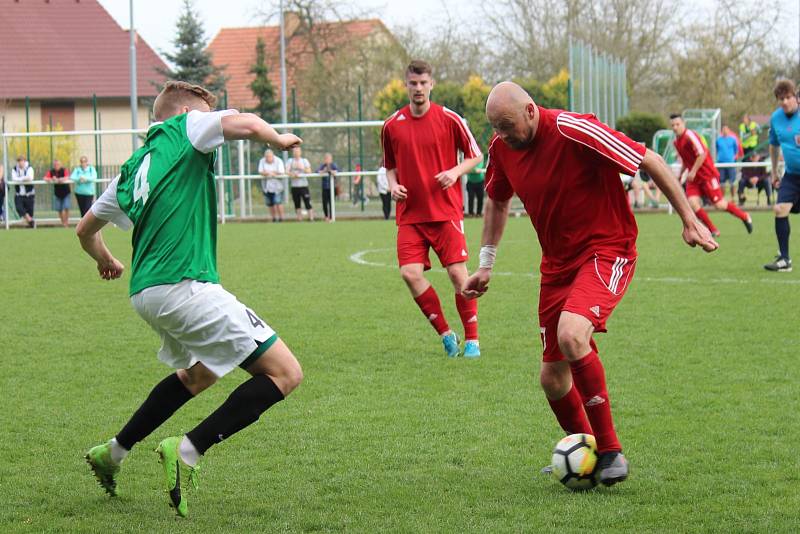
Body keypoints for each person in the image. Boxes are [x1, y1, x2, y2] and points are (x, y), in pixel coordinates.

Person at [462, 81, 718, 486]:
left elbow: (648, 158)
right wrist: (486, 264)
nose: (503, 136)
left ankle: (611, 451)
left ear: (531, 111)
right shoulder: (501, 149)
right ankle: (586, 452)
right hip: (557, 265)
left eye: (508, 125)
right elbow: (495, 199)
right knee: (552, 379)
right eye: (496, 128)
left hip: (607, 249)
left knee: (572, 333)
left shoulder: (573, 129)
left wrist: (688, 219)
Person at [78, 81, 303, 517]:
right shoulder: (188, 126)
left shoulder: (133, 167)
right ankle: (187, 449)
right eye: (205, 113)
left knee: (201, 373)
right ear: (182, 112)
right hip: (186, 285)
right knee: (286, 373)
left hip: (147, 292)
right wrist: (278, 138)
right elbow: (247, 123)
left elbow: (85, 230)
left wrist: (107, 260)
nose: (212, 121)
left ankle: (113, 453)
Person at [381, 59, 483, 358]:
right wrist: (392, 185)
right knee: (410, 274)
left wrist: (454, 172)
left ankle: (473, 340)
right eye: (413, 83)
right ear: (406, 85)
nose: (418, 88)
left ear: (431, 84)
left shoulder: (450, 119)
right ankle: (446, 334)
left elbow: (475, 156)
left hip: (445, 212)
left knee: (457, 275)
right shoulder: (391, 125)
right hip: (411, 216)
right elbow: (390, 166)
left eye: (423, 83)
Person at [670, 114, 752, 237]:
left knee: (719, 204)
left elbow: (702, 154)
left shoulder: (690, 135)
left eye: (677, 124)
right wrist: (681, 175)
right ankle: (713, 229)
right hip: (694, 178)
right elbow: (686, 161)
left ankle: (745, 216)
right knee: (692, 203)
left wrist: (692, 171)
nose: (675, 127)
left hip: (707, 175)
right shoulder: (676, 142)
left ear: (684, 124)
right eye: (673, 125)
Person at [764, 79, 800, 272]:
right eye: (781, 99)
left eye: (788, 97)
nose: (785, 102)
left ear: (796, 97)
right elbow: (774, 145)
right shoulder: (776, 118)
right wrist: (775, 170)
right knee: (780, 209)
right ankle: (784, 260)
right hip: (792, 176)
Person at [287, 146, 314, 221]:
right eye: (295, 152)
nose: (296, 153)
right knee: (297, 203)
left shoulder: (304, 161)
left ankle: (311, 218)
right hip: (294, 186)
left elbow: (309, 171)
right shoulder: (290, 161)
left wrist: (302, 168)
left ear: (300, 152)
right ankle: (299, 219)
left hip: (303, 185)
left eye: (298, 151)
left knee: (307, 202)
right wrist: (292, 174)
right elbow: (286, 171)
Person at [258, 149, 285, 222]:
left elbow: (281, 172)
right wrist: (272, 173)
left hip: (277, 187)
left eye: (269, 157)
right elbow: (261, 171)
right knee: (270, 203)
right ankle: (274, 218)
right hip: (266, 187)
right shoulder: (262, 161)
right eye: (266, 157)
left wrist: (269, 172)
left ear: (273, 156)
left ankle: (281, 218)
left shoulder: (278, 161)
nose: (268, 158)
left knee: (278, 202)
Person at [45, 159, 72, 227]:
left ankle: (66, 223)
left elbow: (67, 177)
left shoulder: (64, 170)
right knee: (59, 209)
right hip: (57, 193)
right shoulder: (51, 171)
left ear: (60, 165)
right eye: (55, 165)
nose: (56, 166)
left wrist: (60, 179)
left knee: (66, 208)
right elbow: (45, 178)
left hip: (66, 192)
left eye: (58, 164)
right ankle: (63, 223)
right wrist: (51, 179)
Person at [716, 125, 739, 202]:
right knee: (721, 182)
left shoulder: (733, 140)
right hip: (721, 163)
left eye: (726, 129)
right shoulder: (718, 140)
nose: (725, 131)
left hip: (731, 163)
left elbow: (736, 150)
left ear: (729, 130)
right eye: (723, 129)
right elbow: (716, 150)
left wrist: (734, 157)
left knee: (732, 181)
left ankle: (733, 198)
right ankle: (722, 199)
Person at [11, 155, 36, 228]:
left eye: (21, 161)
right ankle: (31, 221)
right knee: (19, 208)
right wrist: (24, 179)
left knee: (30, 212)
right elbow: (14, 179)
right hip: (19, 194)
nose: (20, 163)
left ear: (24, 161)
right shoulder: (15, 169)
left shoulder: (29, 168)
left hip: (29, 194)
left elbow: (30, 178)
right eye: (18, 161)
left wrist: (20, 179)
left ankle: (30, 224)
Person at [317, 153, 339, 221]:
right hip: (325, 187)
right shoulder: (323, 166)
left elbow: (338, 171)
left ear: (331, 159)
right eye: (326, 158)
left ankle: (332, 217)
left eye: (329, 158)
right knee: (324, 202)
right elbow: (317, 171)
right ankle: (326, 216)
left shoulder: (333, 165)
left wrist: (332, 171)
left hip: (332, 188)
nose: (327, 160)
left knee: (331, 202)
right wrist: (324, 170)